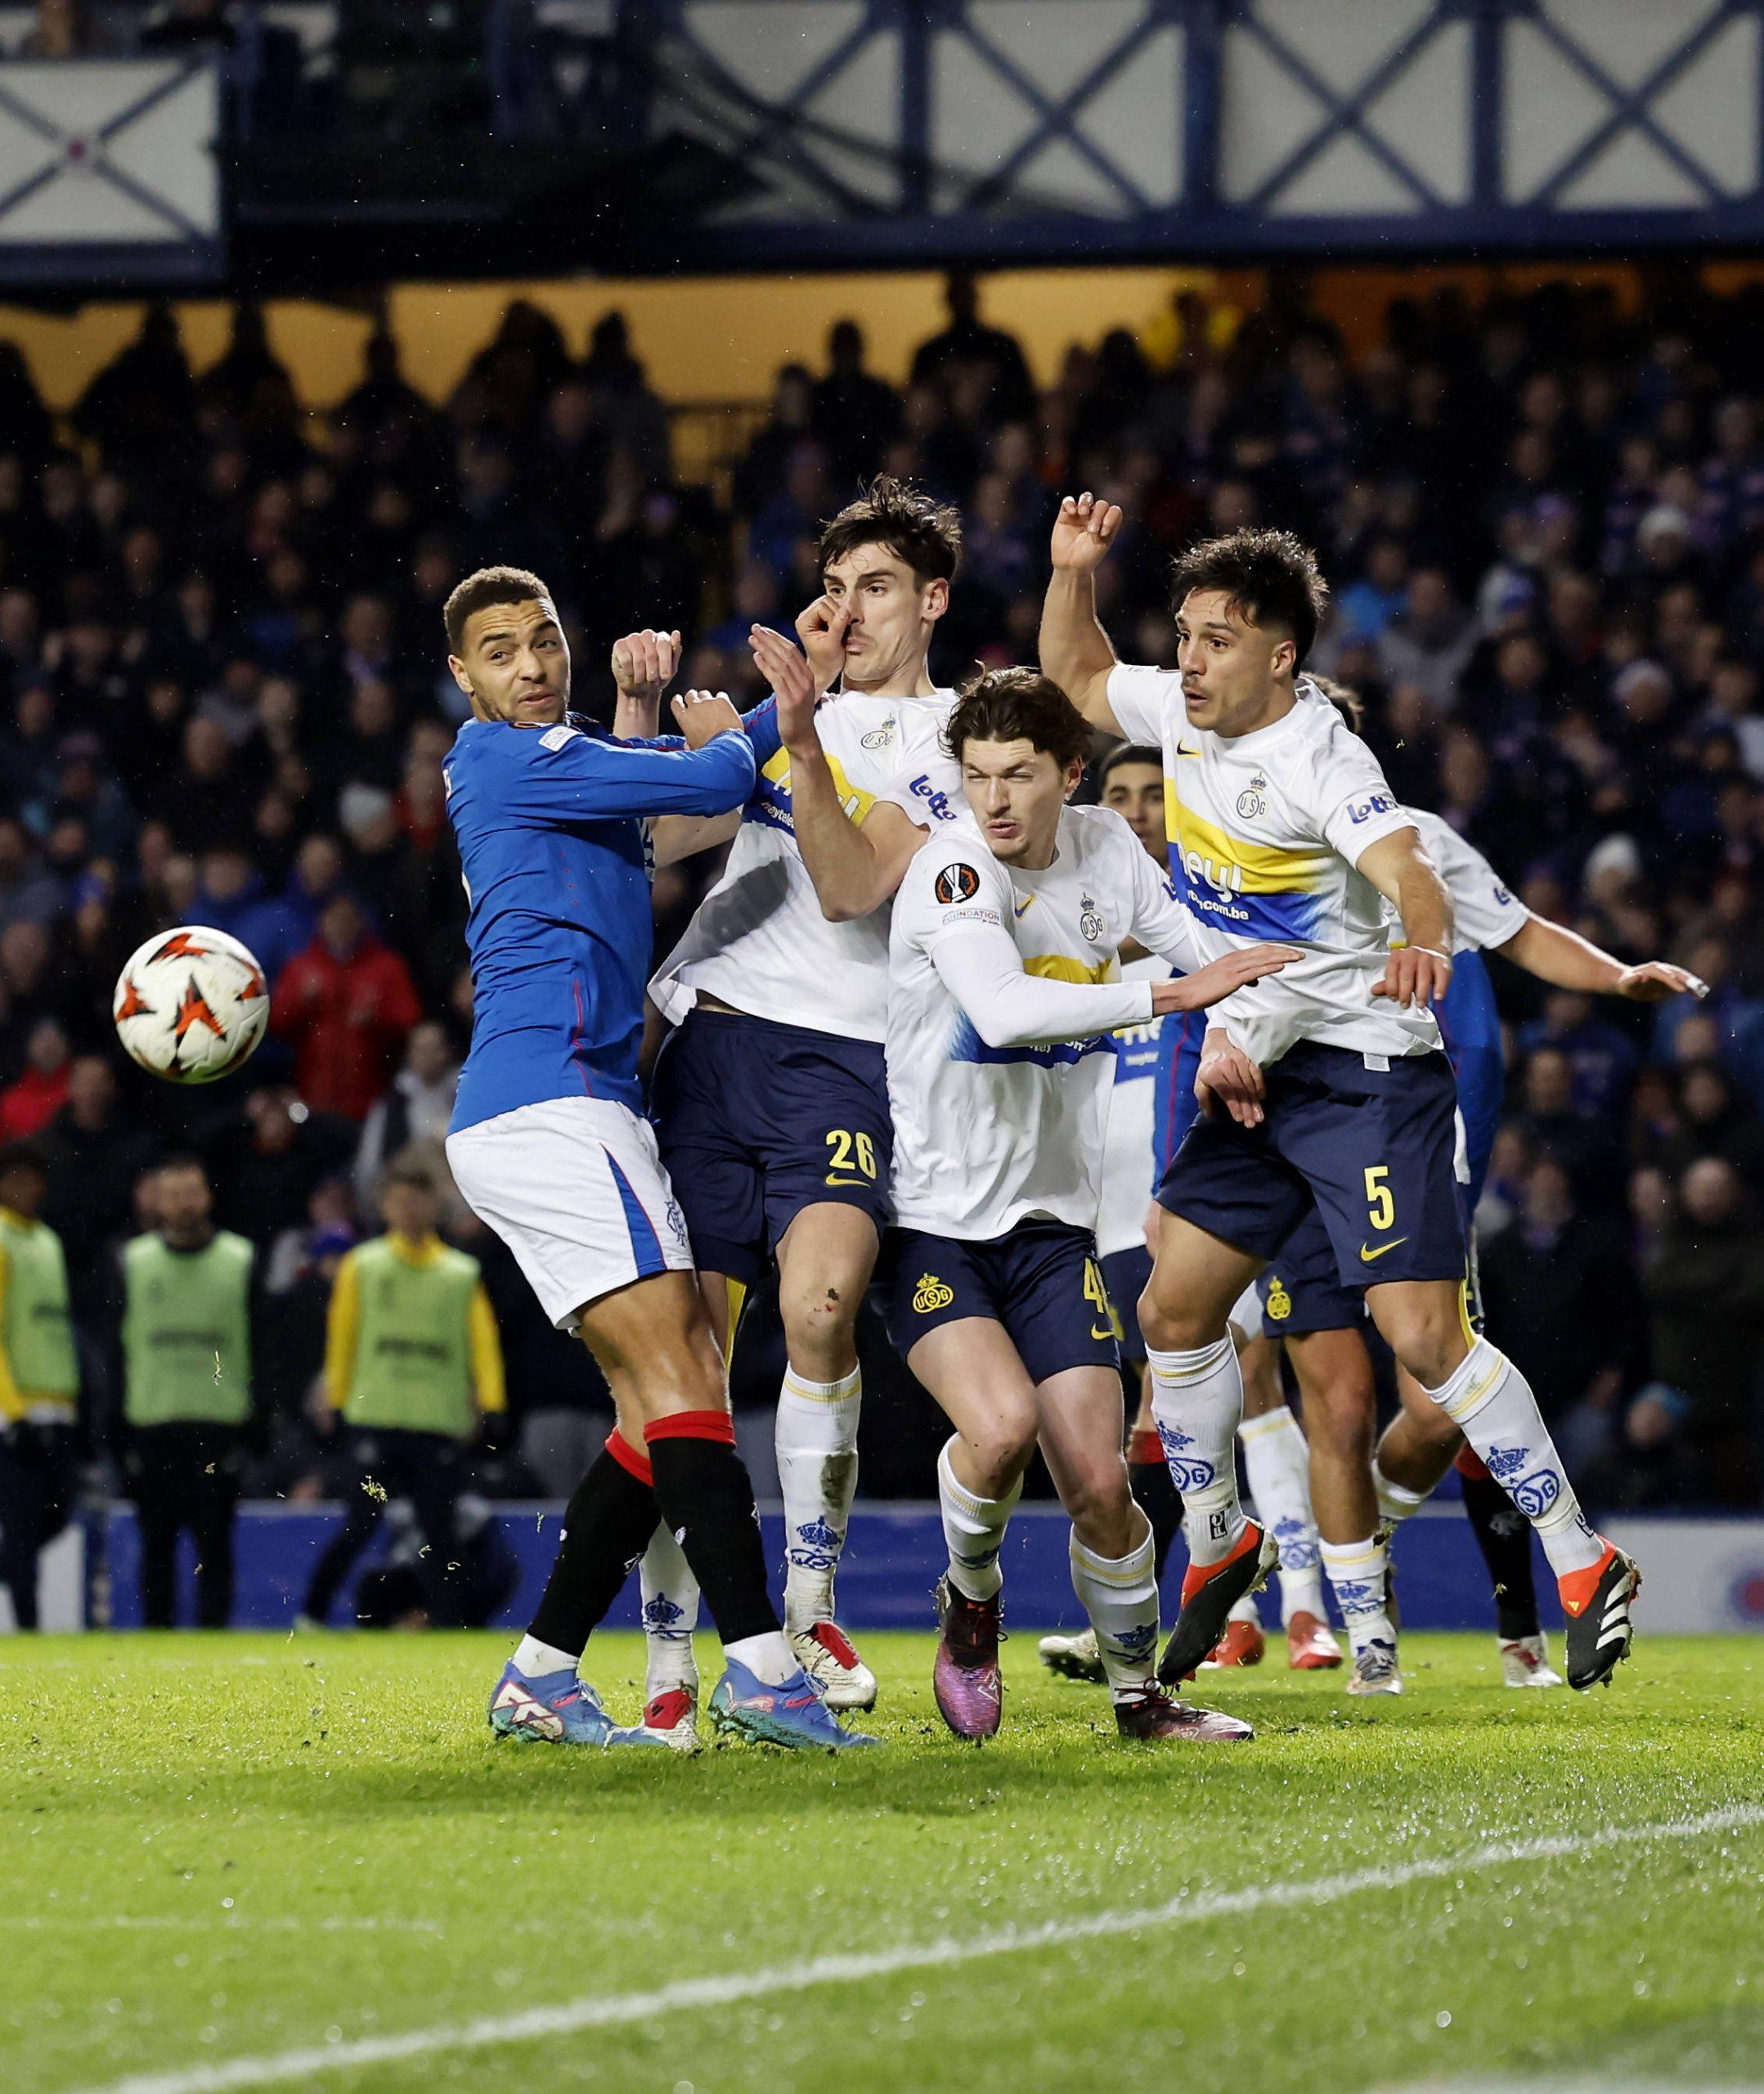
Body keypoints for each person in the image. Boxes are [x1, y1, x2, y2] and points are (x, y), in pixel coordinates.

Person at [1039, 500, 1640, 1696]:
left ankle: (1584, 1559)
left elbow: (1408, 870)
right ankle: (1219, 1544)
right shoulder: (1181, 710)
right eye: (1188, 635)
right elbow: (1077, 666)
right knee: (1175, 1311)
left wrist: (1420, 944)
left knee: (1422, 1341)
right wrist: (1071, 573)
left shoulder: (1322, 757)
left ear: (1281, 657)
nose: (1191, 661)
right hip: (1270, 1066)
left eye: (1217, 641)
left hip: (1367, 1076)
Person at [438, 564, 873, 1750]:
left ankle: (540, 1673)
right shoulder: (501, 758)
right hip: (551, 1106)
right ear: (462, 677)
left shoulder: (560, 766)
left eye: (543, 640)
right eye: (500, 651)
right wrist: (762, 705)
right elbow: (723, 778)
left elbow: (658, 833)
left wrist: (755, 701)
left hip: (579, 1108)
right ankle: (763, 1671)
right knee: (688, 1372)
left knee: (653, 1410)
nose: (531, 667)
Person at [882, 667, 1290, 1742]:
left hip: (1053, 1228)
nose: (995, 800)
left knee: (1103, 1485)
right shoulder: (953, 872)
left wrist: (1242, 1026)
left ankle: (1140, 1698)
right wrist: (1169, 996)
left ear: (1072, 772)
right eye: (975, 777)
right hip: (936, 1224)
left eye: (1018, 775)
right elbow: (1007, 1010)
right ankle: (971, 1601)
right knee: (1003, 1427)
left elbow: (1205, 950)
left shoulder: (1108, 846)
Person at [640, 479, 967, 1726]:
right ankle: (674, 1664)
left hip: (844, 1058)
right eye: (835, 589)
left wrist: (800, 735)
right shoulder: (789, 714)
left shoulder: (949, 737)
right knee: (686, 1363)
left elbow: (846, 889)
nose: (851, 611)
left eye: (876, 587)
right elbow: (664, 841)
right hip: (713, 1043)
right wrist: (706, 741)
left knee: (822, 1305)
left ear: (930, 600)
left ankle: (809, 1610)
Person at [297, 1157, 504, 1630]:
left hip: (435, 1419)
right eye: (401, 1200)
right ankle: (311, 1614)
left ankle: (452, 1626)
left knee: (439, 1531)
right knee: (360, 1523)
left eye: (419, 1200)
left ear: (435, 1206)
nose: (410, 1210)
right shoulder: (363, 1266)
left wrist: (490, 1401)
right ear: (385, 1205)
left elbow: (482, 1341)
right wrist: (337, 1392)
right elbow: (344, 1333)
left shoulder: (459, 1272)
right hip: (377, 1414)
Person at [119, 1158, 258, 1629]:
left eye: (190, 1193)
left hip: (218, 1424)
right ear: (156, 1202)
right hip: (153, 1423)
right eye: (172, 1195)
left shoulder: (240, 1260)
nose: (182, 1205)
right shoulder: (133, 1262)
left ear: (208, 1197)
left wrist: (259, 1424)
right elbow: (115, 1350)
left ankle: (213, 1636)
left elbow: (264, 1346)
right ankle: (158, 1635)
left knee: (214, 1540)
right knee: (155, 1541)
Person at [0, 1144, 79, 1630]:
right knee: (25, 1525)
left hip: (57, 1406)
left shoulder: (49, 1241)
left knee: (57, 1515)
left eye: (35, 1179)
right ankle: (28, 1627)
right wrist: (9, 1410)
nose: (31, 1188)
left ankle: (14, 1572)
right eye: (19, 1179)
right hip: (19, 1409)